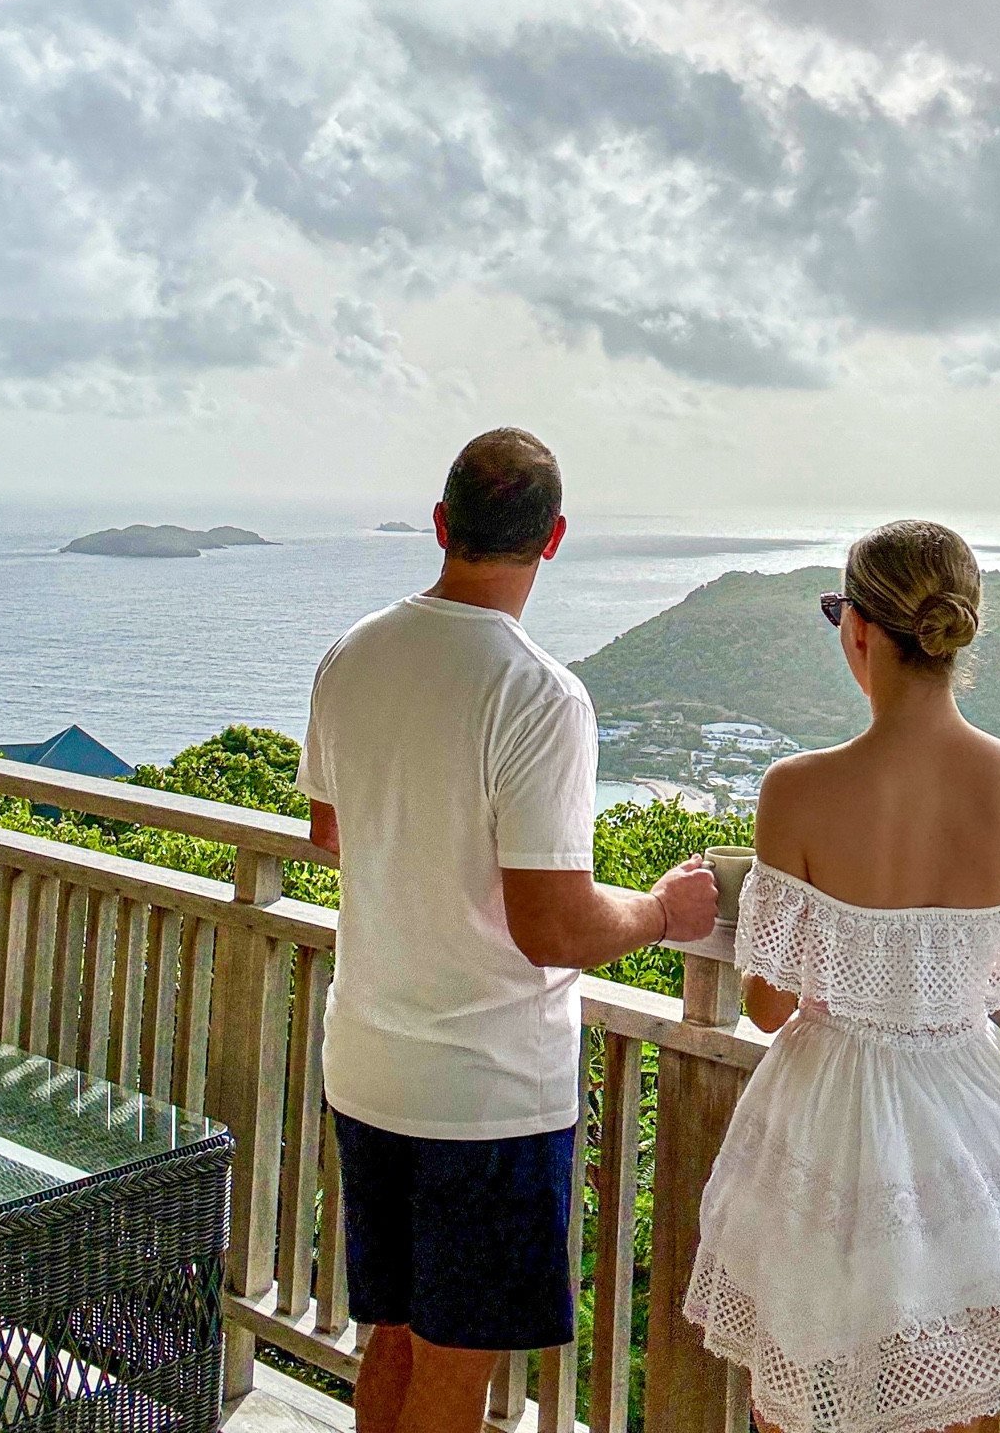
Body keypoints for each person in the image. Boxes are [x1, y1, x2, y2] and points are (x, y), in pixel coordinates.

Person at [684, 519, 1000, 1433]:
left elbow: (764, 1004)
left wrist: (868, 968)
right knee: (963, 1384)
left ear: (859, 632)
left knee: (802, 1381)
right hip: (964, 1108)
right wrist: (963, 970)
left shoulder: (797, 789)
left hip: (826, 1117)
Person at [300, 427, 717, 1433]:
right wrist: (664, 910)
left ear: (442, 524)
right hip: (482, 1093)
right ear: (555, 538)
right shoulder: (538, 693)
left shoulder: (353, 653)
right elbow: (553, 922)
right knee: (456, 1370)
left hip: (369, 1060)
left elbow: (329, 827)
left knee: (392, 1336)